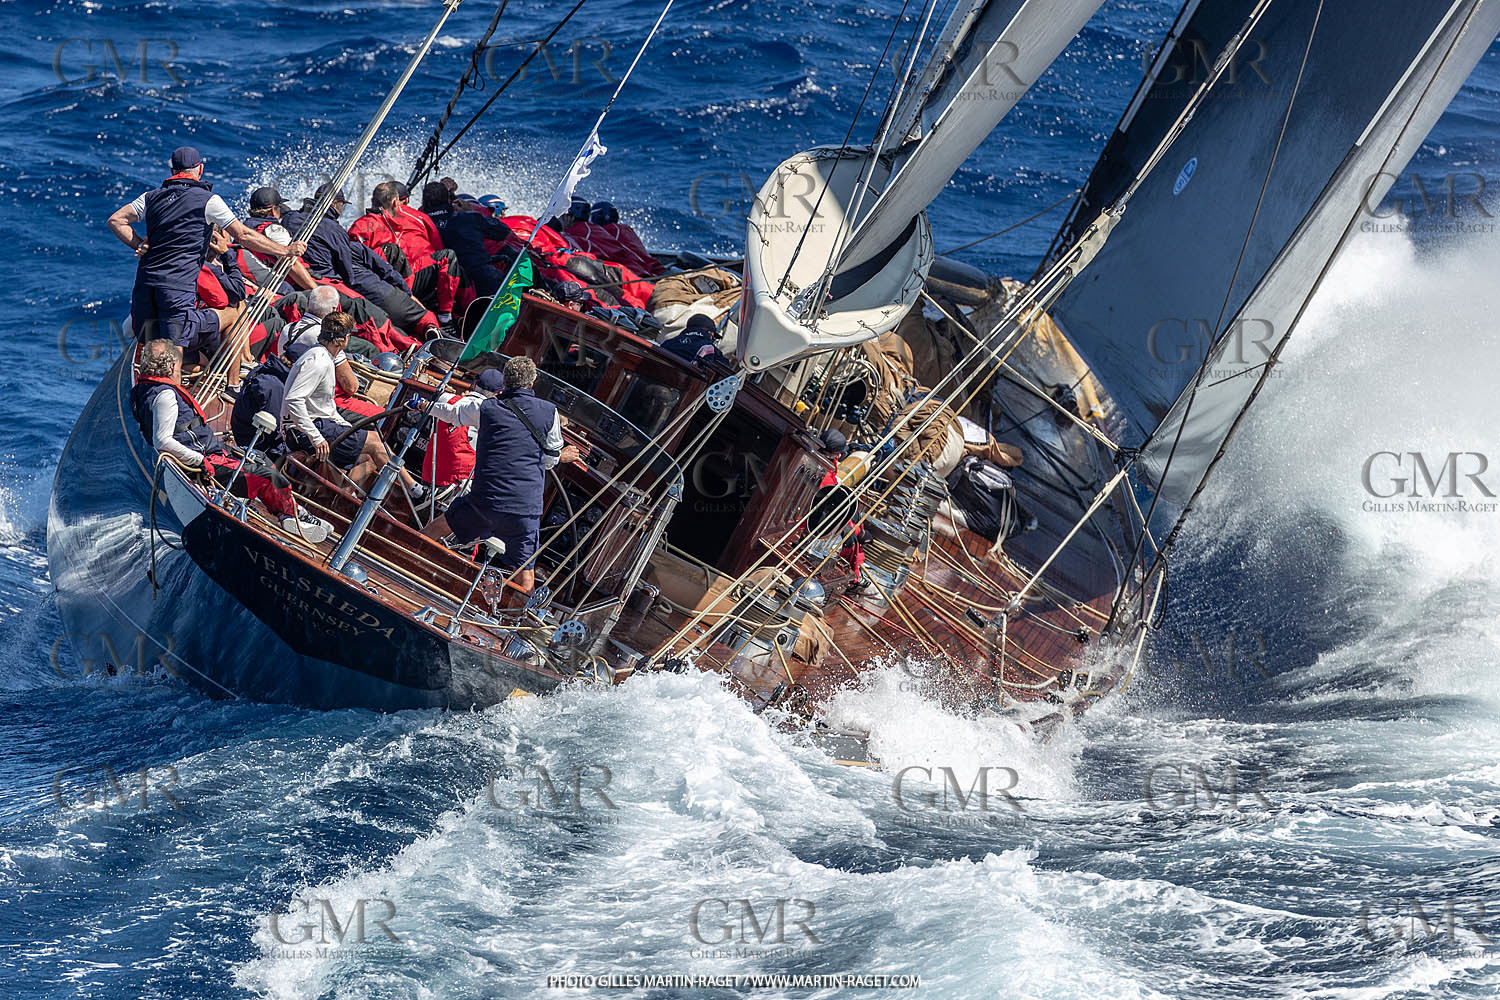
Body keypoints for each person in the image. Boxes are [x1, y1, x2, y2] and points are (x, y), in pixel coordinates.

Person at [131, 339, 331, 542]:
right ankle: (289, 516)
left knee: (260, 458)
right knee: (267, 477)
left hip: (208, 451)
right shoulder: (165, 395)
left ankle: (294, 509)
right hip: (203, 460)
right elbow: (162, 442)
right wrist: (200, 461)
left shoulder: (146, 388)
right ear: (172, 366)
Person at [419, 357, 583, 602]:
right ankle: (516, 616)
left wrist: (422, 405)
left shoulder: (487, 408)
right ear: (532, 383)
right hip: (524, 511)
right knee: (526, 572)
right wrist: (560, 457)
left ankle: (402, 558)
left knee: (436, 528)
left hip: (485, 502)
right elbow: (549, 460)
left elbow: (452, 413)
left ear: (504, 382)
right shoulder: (550, 413)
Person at [110, 146, 307, 348]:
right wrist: (286, 250)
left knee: (150, 345)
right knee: (176, 348)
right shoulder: (208, 200)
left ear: (172, 171)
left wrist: (140, 244)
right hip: (177, 287)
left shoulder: (150, 197)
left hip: (146, 284)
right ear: (200, 169)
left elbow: (116, 220)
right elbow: (243, 235)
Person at [250, 185, 438, 338]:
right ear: (335, 204)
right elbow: (359, 271)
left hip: (316, 286)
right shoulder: (336, 231)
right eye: (341, 205)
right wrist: (407, 292)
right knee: (415, 317)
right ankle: (434, 330)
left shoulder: (286, 222)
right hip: (364, 288)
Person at [281, 314, 427, 496]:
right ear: (345, 339)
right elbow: (293, 400)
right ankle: (415, 491)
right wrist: (316, 438)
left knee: (372, 457)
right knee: (376, 443)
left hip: (315, 425)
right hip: (302, 432)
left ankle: (340, 498)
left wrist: (345, 427)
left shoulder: (323, 356)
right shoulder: (318, 361)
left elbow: (323, 407)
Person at [348, 181, 463, 327]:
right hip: (396, 287)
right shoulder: (416, 217)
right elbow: (437, 247)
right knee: (448, 258)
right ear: (396, 202)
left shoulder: (358, 227)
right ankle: (447, 316)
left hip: (385, 285)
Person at [421, 182, 519, 297]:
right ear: (449, 201)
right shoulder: (469, 217)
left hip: (443, 286)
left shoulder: (420, 224)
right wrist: (471, 211)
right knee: (509, 259)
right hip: (483, 279)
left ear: (424, 203)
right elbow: (503, 232)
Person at [807, 449, 870, 592]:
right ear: (838, 455)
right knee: (850, 538)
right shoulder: (826, 477)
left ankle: (856, 575)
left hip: (820, 516)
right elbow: (835, 512)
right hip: (815, 524)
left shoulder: (827, 471)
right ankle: (855, 578)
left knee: (854, 521)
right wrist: (858, 532)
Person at [661, 312, 728, 366]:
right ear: (710, 332)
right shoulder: (711, 350)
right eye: (713, 337)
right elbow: (726, 371)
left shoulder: (667, 343)